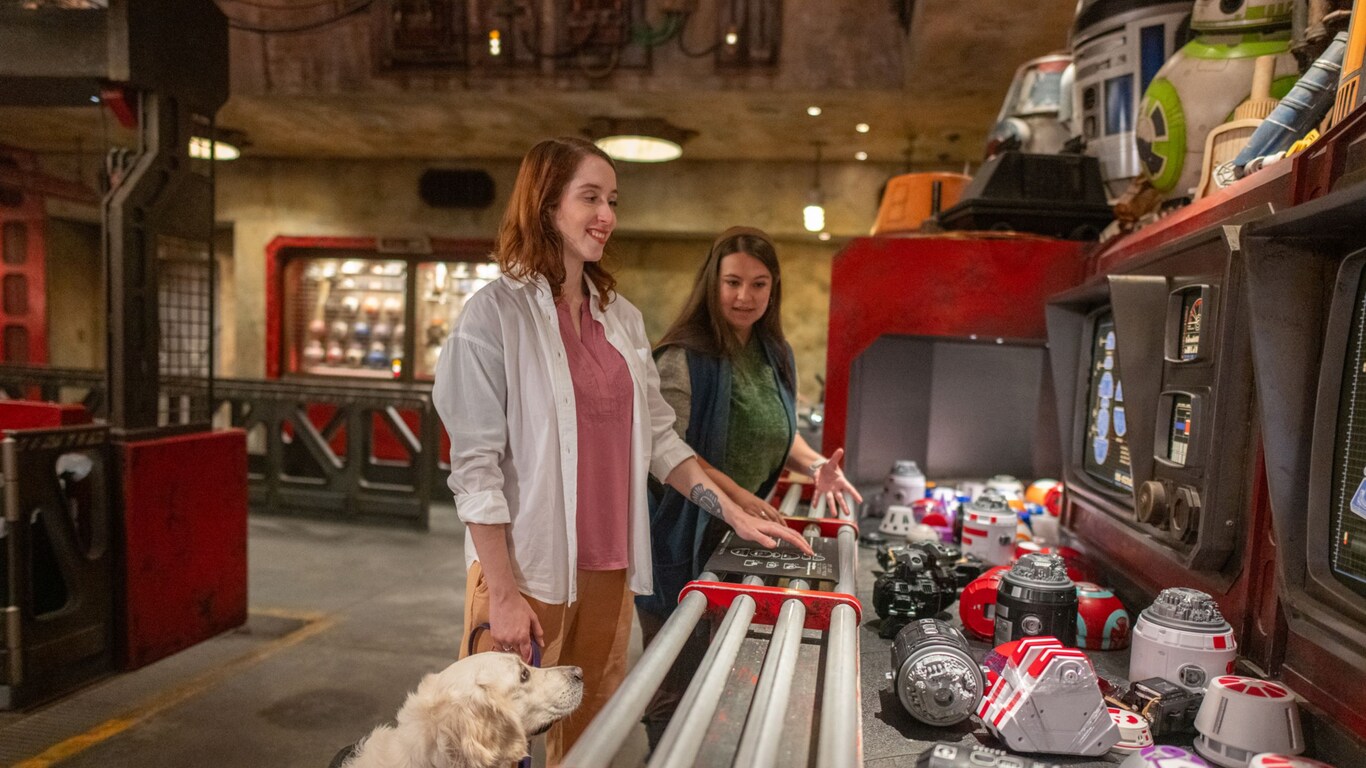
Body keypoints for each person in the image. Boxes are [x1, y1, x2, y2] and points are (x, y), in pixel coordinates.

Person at [432, 139, 811, 763]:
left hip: (610, 566)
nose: (606, 214)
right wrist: (500, 592)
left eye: (612, 200)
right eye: (590, 198)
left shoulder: (622, 318)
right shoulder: (493, 316)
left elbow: (660, 438)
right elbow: (475, 469)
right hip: (527, 572)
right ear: (547, 204)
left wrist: (735, 512)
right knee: (497, 746)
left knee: (590, 736)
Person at [635, 226, 863, 745]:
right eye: (733, 282)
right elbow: (669, 452)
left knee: (720, 670)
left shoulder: (774, 352)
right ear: (711, 284)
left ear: (773, 288)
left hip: (739, 537)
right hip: (680, 537)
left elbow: (775, 432)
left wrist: (814, 464)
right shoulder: (682, 357)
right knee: (674, 677)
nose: (745, 297)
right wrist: (741, 498)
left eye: (759, 284)